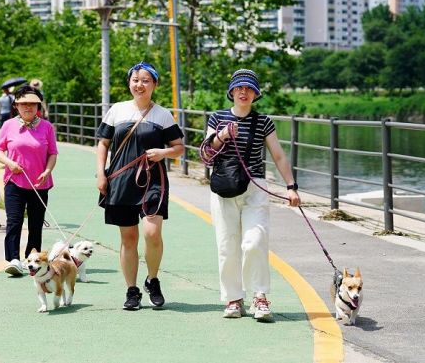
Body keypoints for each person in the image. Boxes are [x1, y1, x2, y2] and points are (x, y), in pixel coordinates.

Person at [202, 68, 301, 321]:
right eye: (239, 88)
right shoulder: (217, 118)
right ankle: (234, 299)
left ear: (255, 94)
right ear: (232, 91)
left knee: (255, 242)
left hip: (255, 186)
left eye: (249, 88)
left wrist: (291, 187)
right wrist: (222, 136)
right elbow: (205, 154)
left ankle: (260, 296)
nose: (243, 92)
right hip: (224, 187)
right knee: (227, 246)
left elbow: (278, 154)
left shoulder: (264, 121)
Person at [95, 62, 185, 310]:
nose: (140, 84)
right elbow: (103, 143)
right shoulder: (117, 110)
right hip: (121, 180)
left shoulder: (163, 115)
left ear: (154, 84)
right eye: (135, 80)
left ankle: (152, 280)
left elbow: (179, 147)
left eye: (146, 80)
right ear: (129, 83)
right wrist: (101, 174)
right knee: (129, 238)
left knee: (152, 233)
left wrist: (163, 152)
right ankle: (131, 290)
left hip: (152, 181)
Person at [0, 85, 58, 276]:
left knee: (36, 224)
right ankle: (13, 259)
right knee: (14, 221)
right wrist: (9, 163)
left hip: (40, 184)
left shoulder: (46, 127)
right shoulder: (8, 125)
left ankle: (32, 260)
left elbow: (53, 153)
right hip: (14, 181)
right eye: (23, 104)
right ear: (16, 106)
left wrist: (47, 170)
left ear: (38, 106)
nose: (28, 107)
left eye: (32, 104)